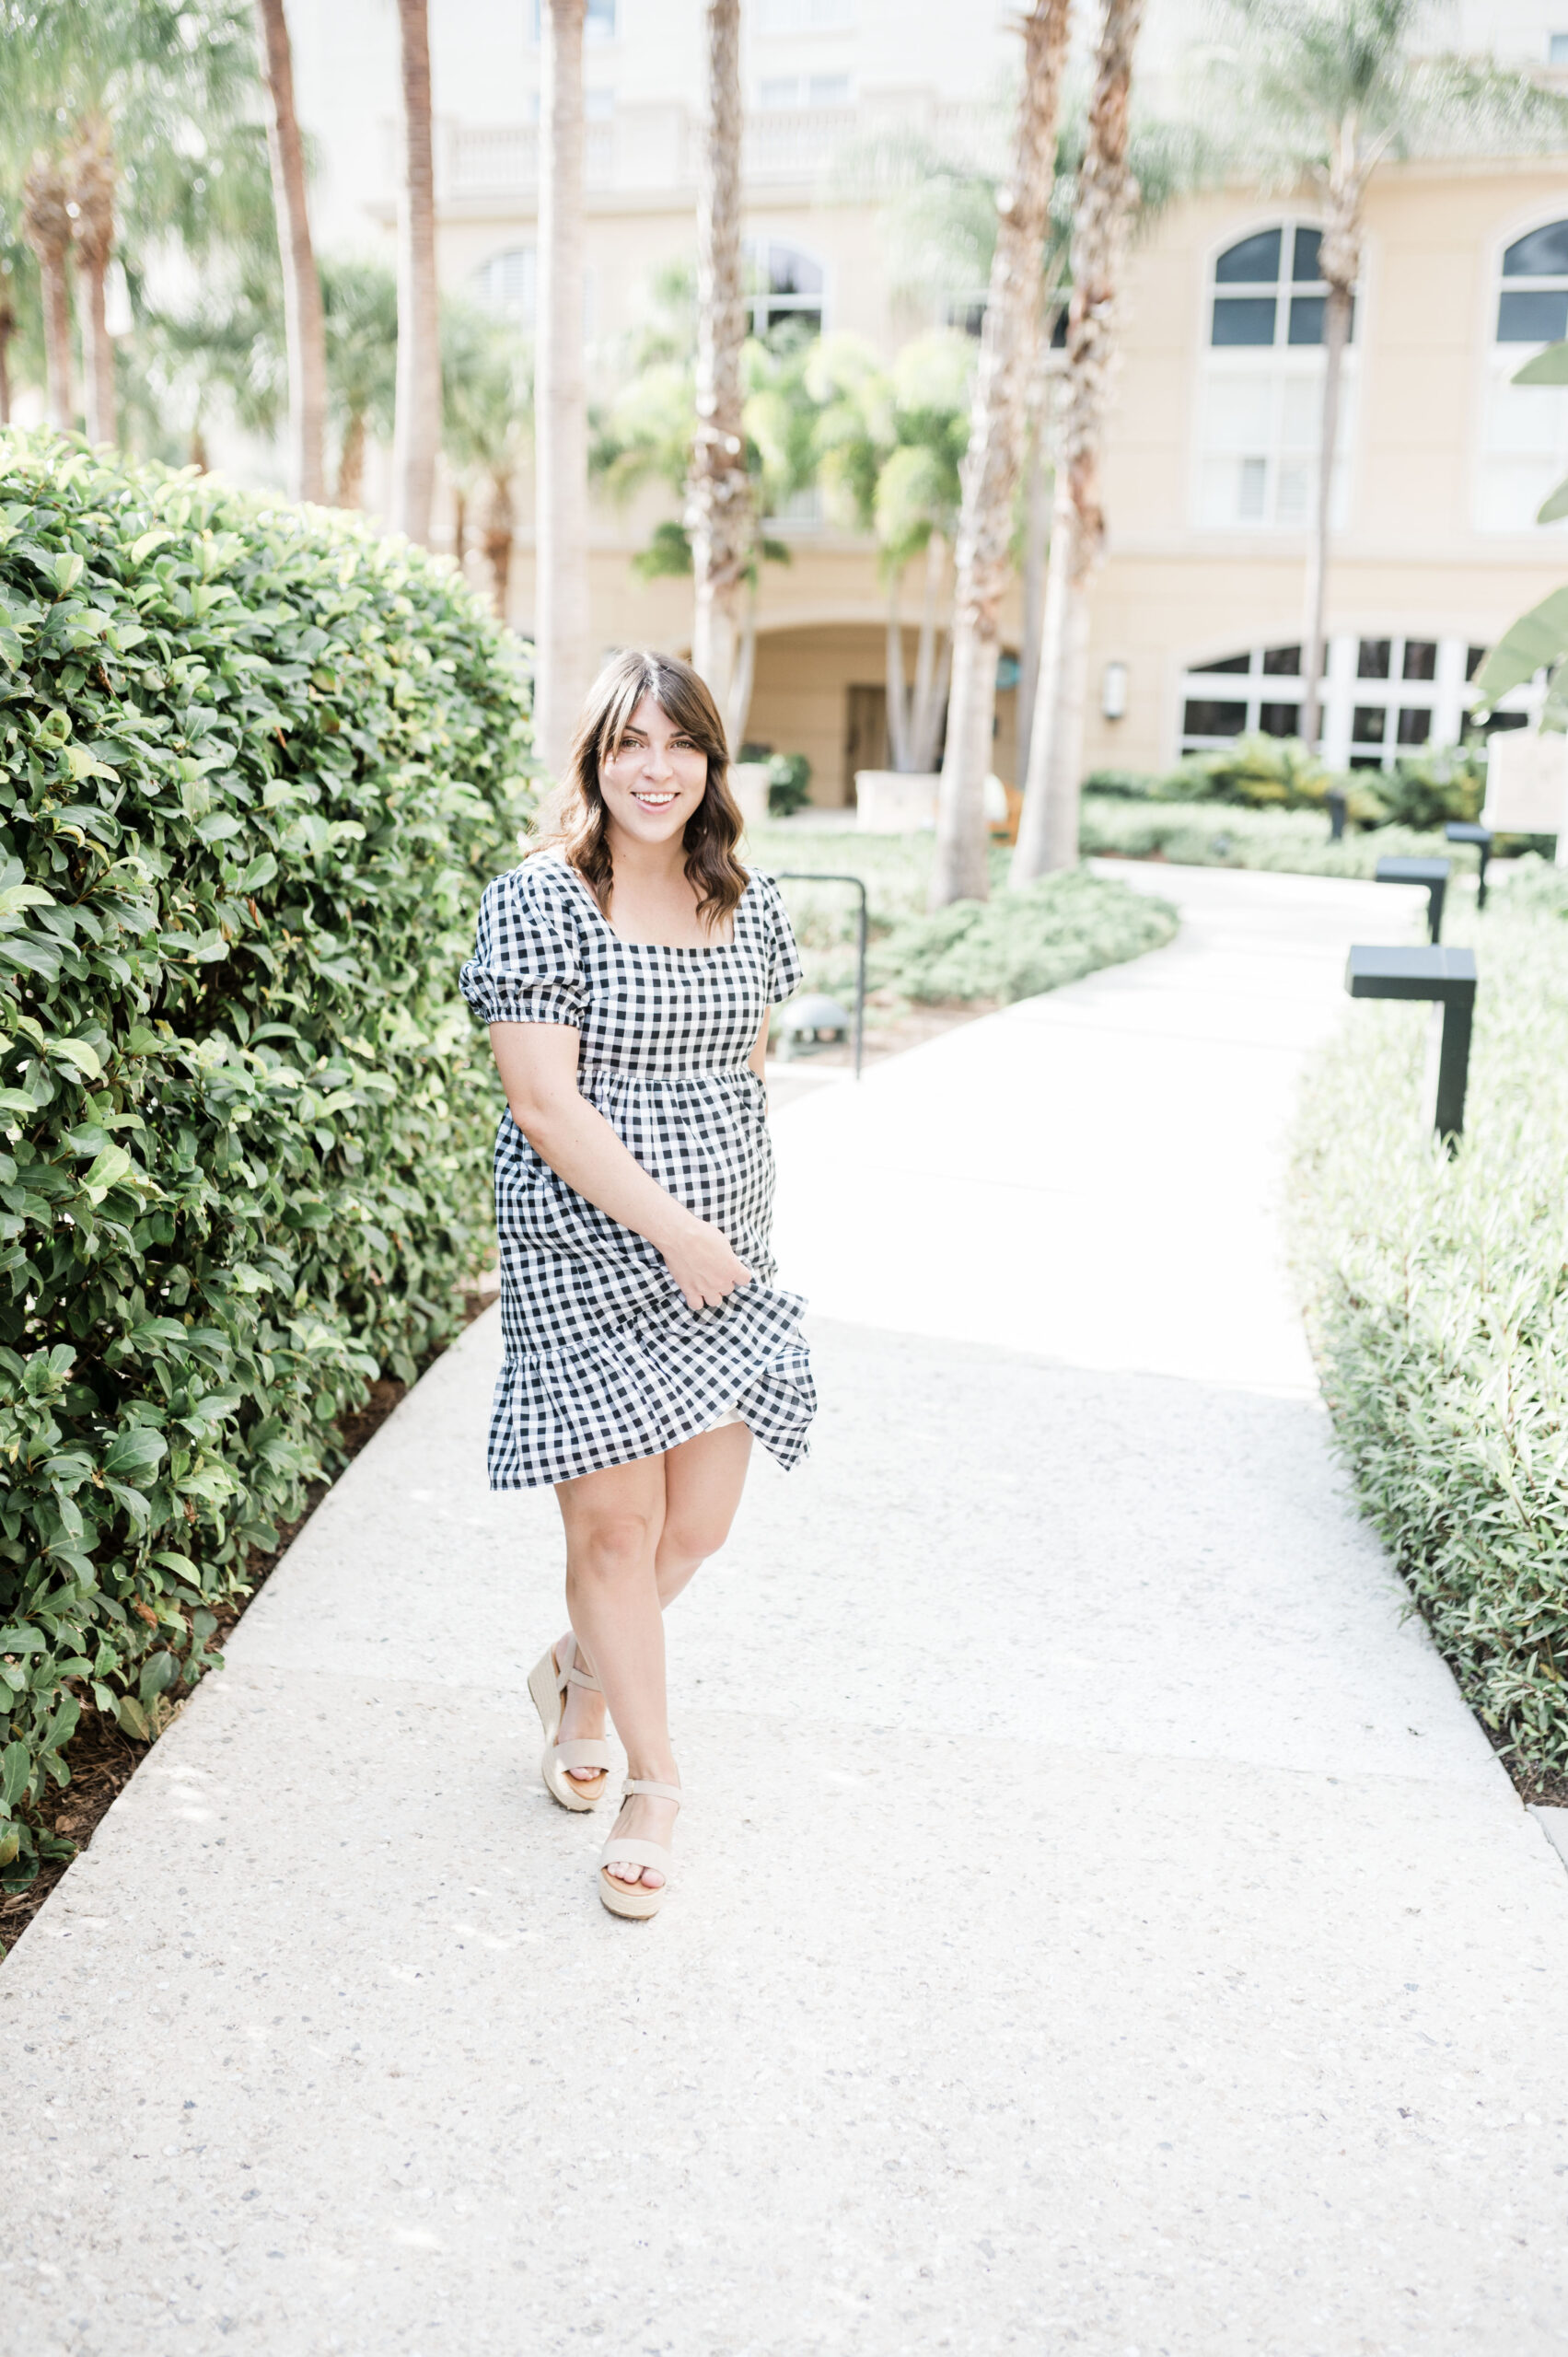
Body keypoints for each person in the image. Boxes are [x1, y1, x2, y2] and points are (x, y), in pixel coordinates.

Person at [459, 649, 815, 1919]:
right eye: (629, 744)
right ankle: (654, 1785)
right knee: (614, 1529)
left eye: (678, 745)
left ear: (711, 763)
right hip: (585, 1255)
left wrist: (722, 1231)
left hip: (720, 1260)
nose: (653, 770)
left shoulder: (748, 903)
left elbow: (746, 1065)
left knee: (696, 1530)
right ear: (594, 760)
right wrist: (672, 1226)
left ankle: (579, 1674)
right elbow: (546, 1107)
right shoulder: (541, 903)